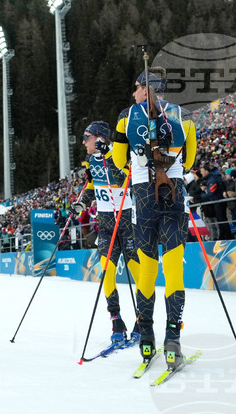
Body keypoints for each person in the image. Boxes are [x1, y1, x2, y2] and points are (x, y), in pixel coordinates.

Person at [111, 69, 196, 372]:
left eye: (135, 88)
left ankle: (146, 338)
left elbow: (119, 161)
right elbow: (190, 159)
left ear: (145, 88)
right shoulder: (183, 114)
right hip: (173, 193)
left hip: (143, 195)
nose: (133, 93)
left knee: (147, 268)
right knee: (173, 267)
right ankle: (172, 339)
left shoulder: (125, 116)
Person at [74, 120, 140, 345]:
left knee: (140, 276)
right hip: (106, 226)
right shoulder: (91, 160)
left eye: (87, 137)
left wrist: (109, 156)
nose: (83, 142)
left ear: (99, 138)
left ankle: (143, 320)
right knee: (107, 274)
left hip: (128, 225)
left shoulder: (120, 154)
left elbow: (126, 178)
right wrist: (82, 202)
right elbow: (92, 186)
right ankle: (116, 321)